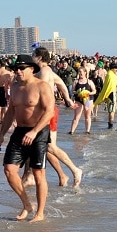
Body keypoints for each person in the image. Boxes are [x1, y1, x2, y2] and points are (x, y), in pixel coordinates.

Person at [0, 55, 55, 222]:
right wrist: (1, 135)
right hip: (19, 131)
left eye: (21, 68)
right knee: (9, 170)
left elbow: (49, 111)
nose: (18, 71)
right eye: (16, 69)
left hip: (39, 132)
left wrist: (34, 131)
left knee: (38, 173)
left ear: (32, 69)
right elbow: (10, 112)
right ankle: (27, 204)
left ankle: (40, 213)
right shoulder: (14, 87)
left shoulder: (42, 86)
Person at [31, 47, 83, 187]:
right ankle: (63, 176)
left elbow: (39, 91)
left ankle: (75, 170)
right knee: (45, 146)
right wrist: (68, 99)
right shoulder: (48, 71)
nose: (32, 57)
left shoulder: (43, 72)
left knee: (49, 146)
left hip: (47, 111)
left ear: (39, 57)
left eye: (33, 55)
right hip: (48, 110)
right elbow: (61, 83)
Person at [69, 67, 96, 134]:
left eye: (81, 72)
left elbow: (94, 91)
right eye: (79, 71)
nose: (80, 73)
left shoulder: (89, 81)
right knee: (76, 116)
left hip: (87, 100)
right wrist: (77, 92)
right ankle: (71, 131)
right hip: (78, 100)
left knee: (87, 116)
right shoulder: (76, 81)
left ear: (85, 72)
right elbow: (72, 91)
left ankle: (87, 131)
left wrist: (88, 93)